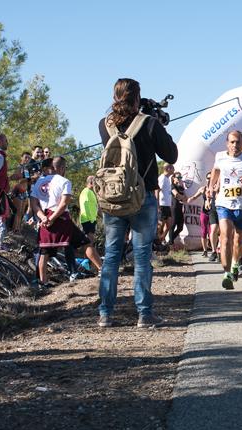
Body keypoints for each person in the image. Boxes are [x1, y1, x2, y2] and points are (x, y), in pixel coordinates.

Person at [97, 78, 178, 328]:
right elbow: (171, 154)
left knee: (111, 256)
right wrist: (157, 123)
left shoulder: (104, 124)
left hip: (113, 197)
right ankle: (144, 313)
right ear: (137, 96)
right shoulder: (149, 123)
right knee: (142, 258)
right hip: (142, 197)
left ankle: (105, 313)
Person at [30, 157, 101, 286]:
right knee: (84, 242)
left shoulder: (39, 183)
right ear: (61, 168)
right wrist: (52, 218)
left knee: (44, 251)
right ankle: (103, 270)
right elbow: (63, 204)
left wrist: (43, 218)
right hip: (60, 218)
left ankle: (43, 282)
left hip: (45, 218)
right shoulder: (65, 181)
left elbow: (34, 204)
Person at [209, 130, 242, 289]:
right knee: (225, 236)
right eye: (232, 142)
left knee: (240, 240)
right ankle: (226, 273)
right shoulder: (220, 156)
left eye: (238, 142)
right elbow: (216, 170)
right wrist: (212, 186)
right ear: (227, 143)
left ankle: (234, 264)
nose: (235, 145)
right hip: (224, 203)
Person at [156, 163, 175, 245]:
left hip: (167, 205)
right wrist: (157, 205)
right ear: (168, 169)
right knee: (160, 225)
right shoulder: (162, 178)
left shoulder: (168, 179)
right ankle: (156, 241)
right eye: (173, 169)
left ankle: (161, 239)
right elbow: (157, 190)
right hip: (162, 204)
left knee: (169, 224)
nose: (174, 170)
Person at [79, 176, 99, 245]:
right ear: (91, 182)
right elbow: (85, 205)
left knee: (90, 241)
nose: (96, 184)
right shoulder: (86, 192)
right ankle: (88, 255)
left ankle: (88, 256)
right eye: (95, 183)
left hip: (92, 219)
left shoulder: (91, 192)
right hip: (88, 220)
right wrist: (91, 219)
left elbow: (94, 206)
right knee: (89, 242)